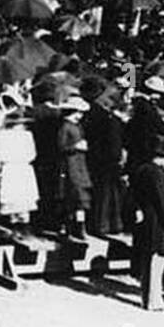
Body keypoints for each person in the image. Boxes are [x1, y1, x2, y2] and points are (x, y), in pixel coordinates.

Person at [132, 147, 164, 312]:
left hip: (144, 218)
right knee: (156, 260)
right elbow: (163, 202)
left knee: (148, 260)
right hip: (156, 222)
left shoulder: (141, 170)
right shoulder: (157, 174)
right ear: (161, 158)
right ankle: (153, 300)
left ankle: (149, 297)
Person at [83, 96, 124, 237]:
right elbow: (114, 145)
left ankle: (102, 225)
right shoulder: (113, 122)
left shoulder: (99, 120)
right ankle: (107, 225)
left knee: (104, 194)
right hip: (109, 162)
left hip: (101, 161)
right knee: (109, 195)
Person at [57, 96, 92, 239]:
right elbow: (60, 146)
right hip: (70, 164)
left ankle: (79, 226)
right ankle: (70, 227)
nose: (80, 116)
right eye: (78, 112)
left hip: (79, 164)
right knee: (73, 196)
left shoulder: (77, 126)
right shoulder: (65, 127)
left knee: (81, 198)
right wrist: (74, 147)